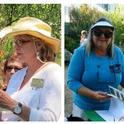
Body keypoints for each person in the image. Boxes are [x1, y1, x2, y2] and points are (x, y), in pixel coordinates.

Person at [0, 16, 61, 121]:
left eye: (21, 42)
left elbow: (49, 119)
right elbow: (8, 116)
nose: (16, 46)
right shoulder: (17, 76)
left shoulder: (52, 72)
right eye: (15, 42)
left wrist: (12, 105)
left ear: (38, 45)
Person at [67, 18, 124, 119]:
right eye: (98, 32)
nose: (103, 36)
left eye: (107, 33)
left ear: (112, 36)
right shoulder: (81, 53)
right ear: (91, 34)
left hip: (112, 109)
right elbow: (72, 81)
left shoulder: (118, 53)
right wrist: (92, 94)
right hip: (84, 109)